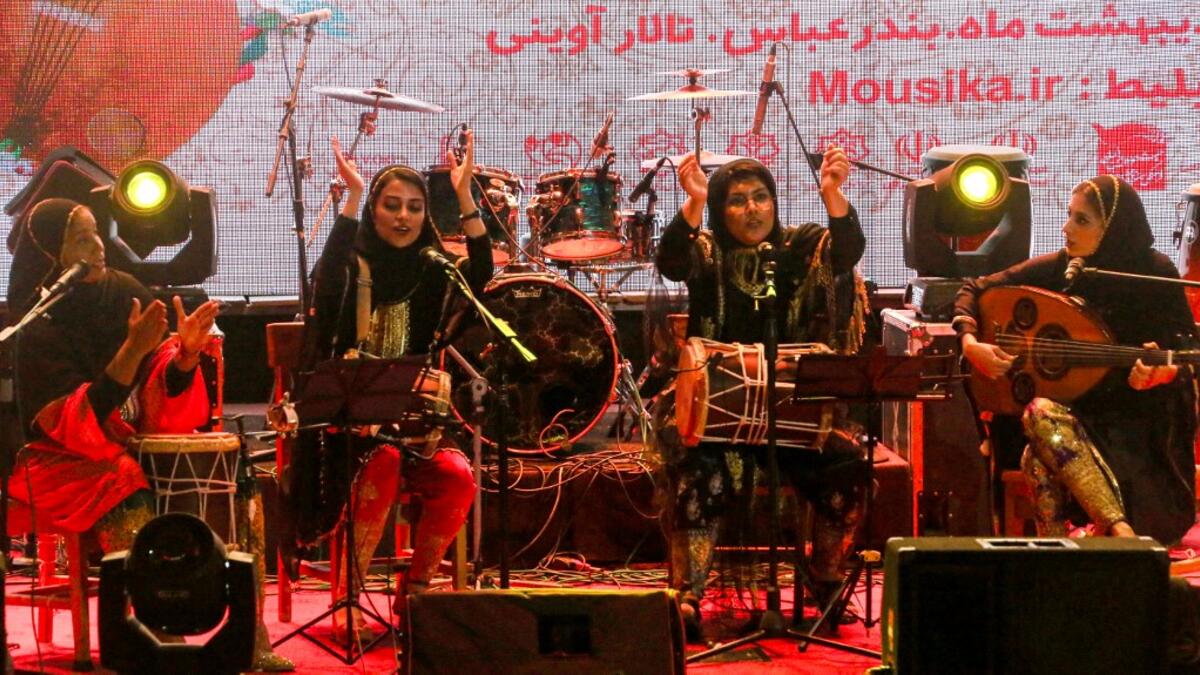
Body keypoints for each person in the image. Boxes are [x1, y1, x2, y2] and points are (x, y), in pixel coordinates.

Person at [6, 198, 292, 670]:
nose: (98, 246)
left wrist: (183, 359)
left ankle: (249, 633)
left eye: (98, 232)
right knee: (126, 483)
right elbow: (68, 423)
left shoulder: (124, 290)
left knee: (239, 483)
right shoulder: (39, 321)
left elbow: (158, 381)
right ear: (51, 255)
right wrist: (129, 354)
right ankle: (149, 636)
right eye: (81, 239)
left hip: (124, 446)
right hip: (55, 458)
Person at [653, 148, 870, 641]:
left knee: (845, 467)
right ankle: (688, 596)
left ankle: (826, 576)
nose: (752, 209)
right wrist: (694, 202)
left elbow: (848, 250)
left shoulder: (801, 247)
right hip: (716, 419)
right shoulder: (707, 253)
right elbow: (670, 261)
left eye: (761, 197)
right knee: (698, 473)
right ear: (719, 212)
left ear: (775, 202)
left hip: (791, 418)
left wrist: (833, 193)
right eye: (736, 202)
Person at [284, 135, 484, 642]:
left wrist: (464, 197)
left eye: (415, 208)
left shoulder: (433, 269)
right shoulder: (352, 266)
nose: (404, 217)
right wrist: (348, 197)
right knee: (385, 463)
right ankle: (346, 595)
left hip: (414, 429)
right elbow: (325, 280)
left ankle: (414, 591)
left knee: (458, 475)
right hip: (346, 432)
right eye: (391, 205)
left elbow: (479, 276)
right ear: (373, 210)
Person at [954, 174, 1197, 542]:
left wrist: (1161, 374)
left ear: (1114, 228)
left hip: (1134, 432)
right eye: (1069, 215)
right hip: (1072, 422)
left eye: (1081, 220)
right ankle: (1117, 533)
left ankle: (1066, 556)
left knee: (1035, 454)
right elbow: (976, 287)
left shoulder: (1155, 274)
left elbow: (1187, 354)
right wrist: (971, 344)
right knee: (1040, 415)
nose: (1067, 228)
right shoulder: (1066, 269)